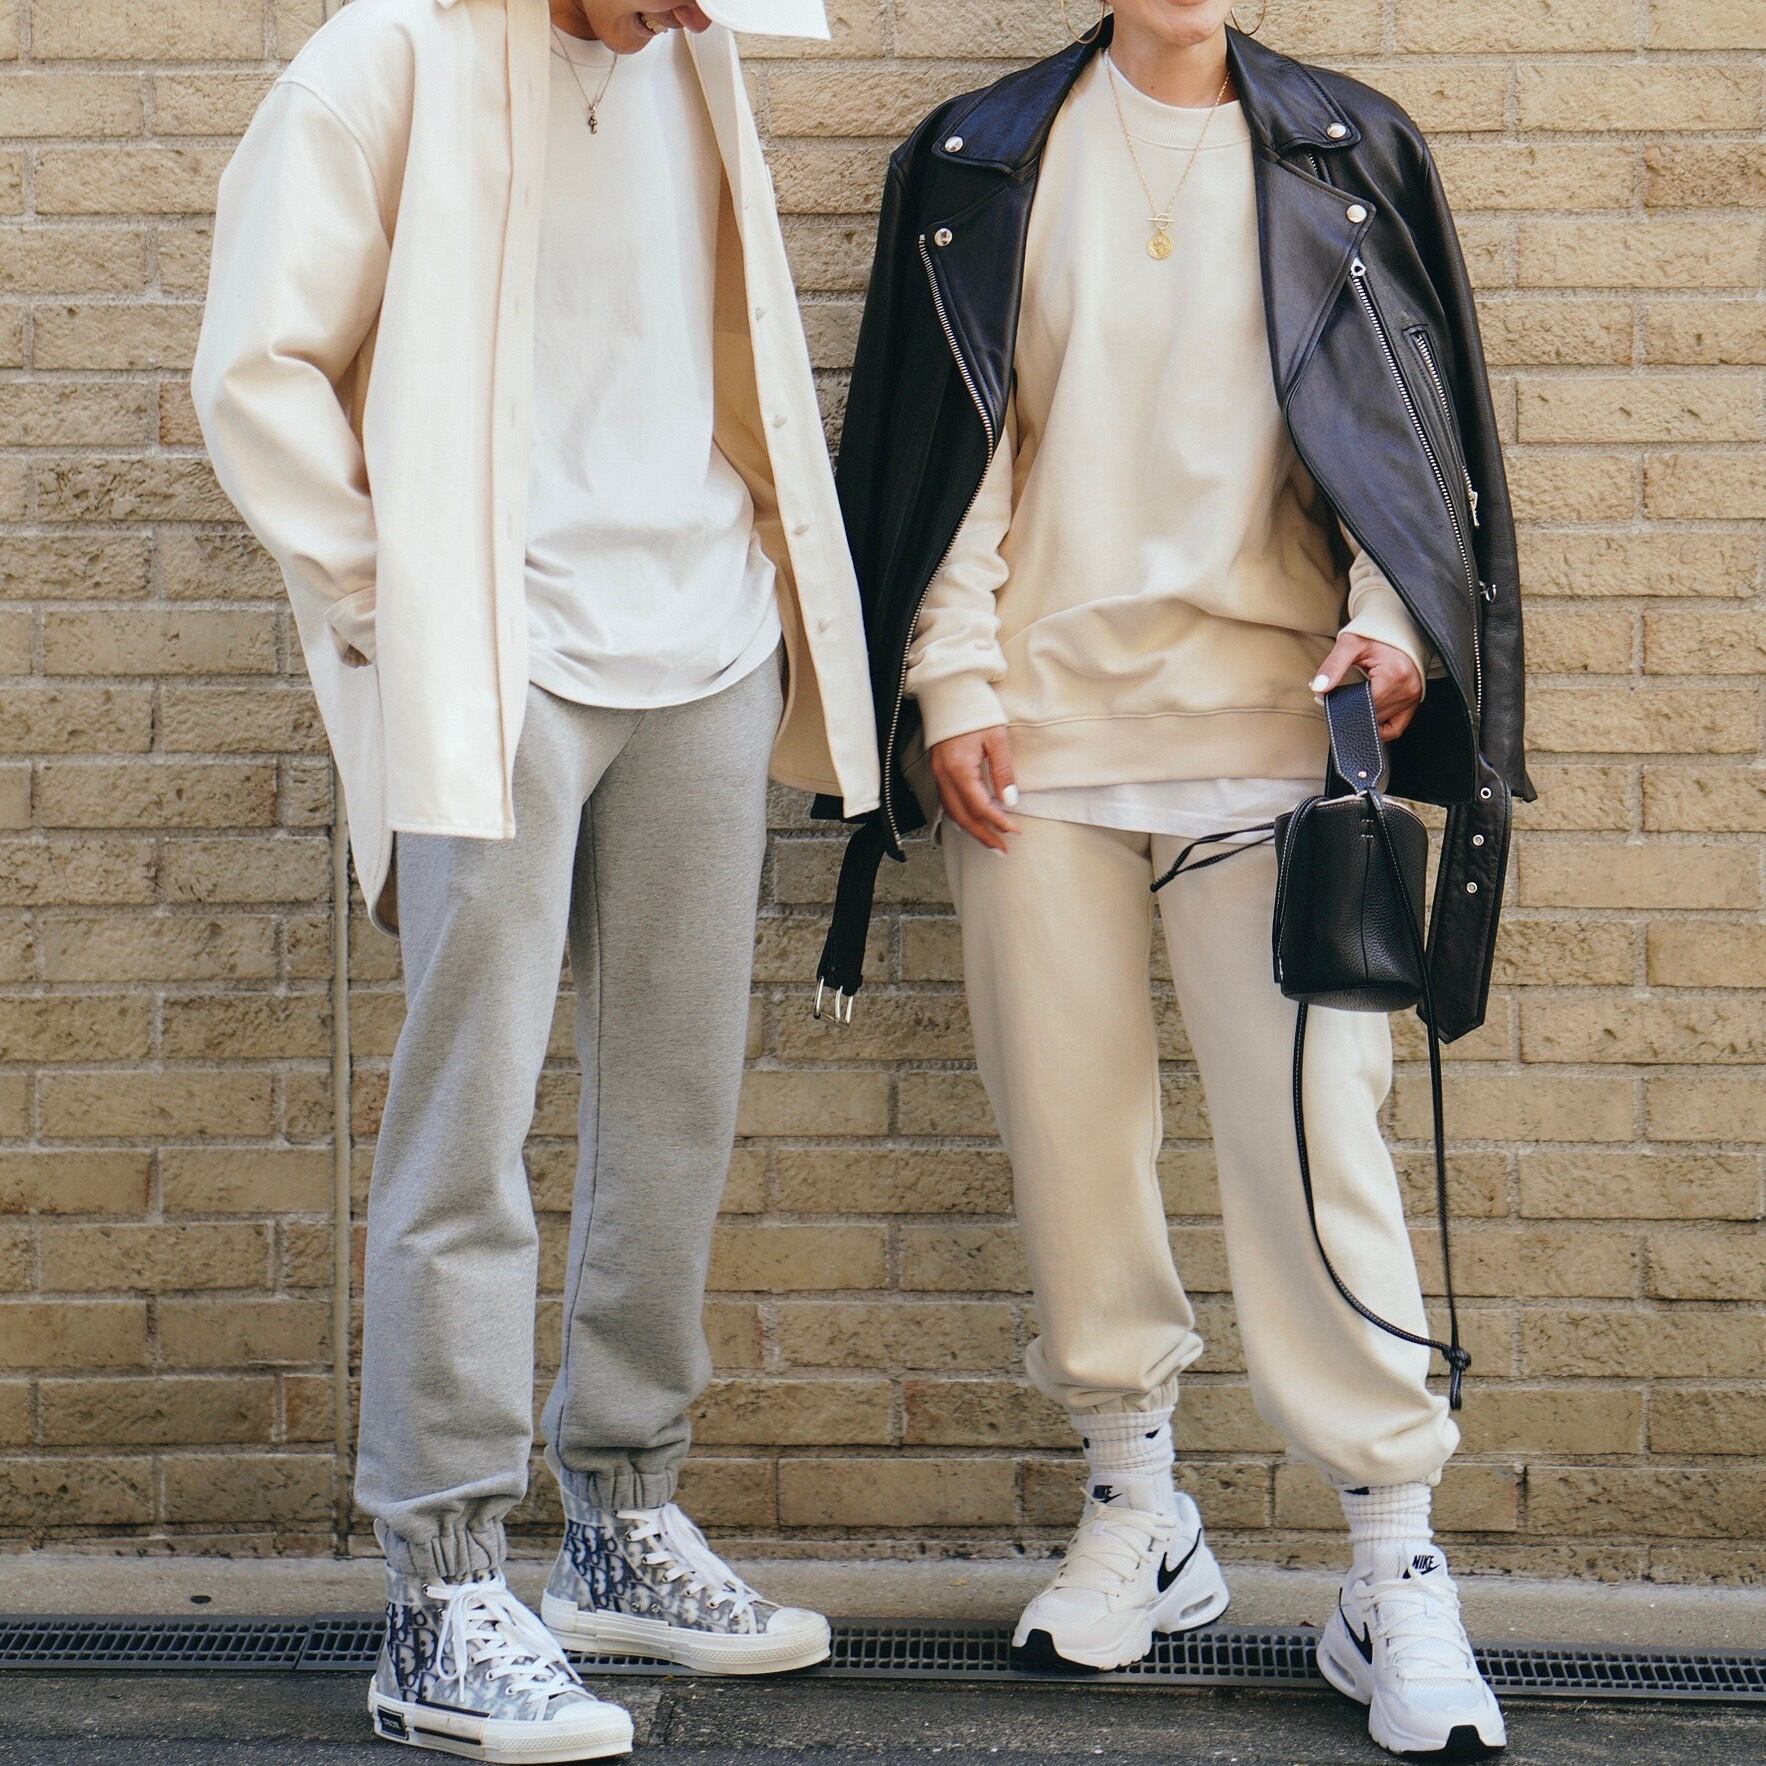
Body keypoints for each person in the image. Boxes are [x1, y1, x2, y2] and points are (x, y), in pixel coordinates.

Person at [817, 0, 1532, 1758]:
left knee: (1318, 1151)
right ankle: (1138, 1504)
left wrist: (1392, 623)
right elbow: (944, 447)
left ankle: (1389, 1558)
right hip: (1034, 746)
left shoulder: (1345, 150)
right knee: (1069, 1138)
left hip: (1274, 738)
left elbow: (1408, 432)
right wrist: (949, 684)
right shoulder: (981, 153)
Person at [194, 0, 878, 1758]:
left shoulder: (691, 53)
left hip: (705, 645)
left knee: (675, 1109)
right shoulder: (382, 58)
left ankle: (622, 1514)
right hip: (498, 659)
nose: (691, 14)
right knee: (467, 1118)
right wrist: (395, 602)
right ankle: (439, 1588)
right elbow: (254, 367)